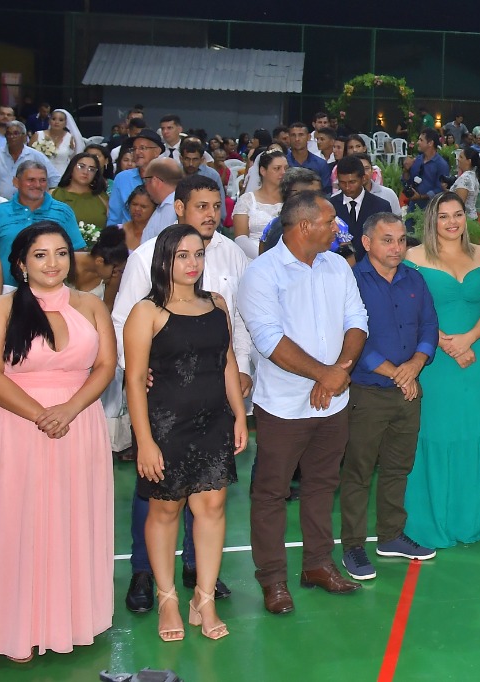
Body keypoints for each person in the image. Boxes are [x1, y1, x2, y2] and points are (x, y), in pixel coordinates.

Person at [0, 221, 116, 662]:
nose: (53, 263)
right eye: (40, 255)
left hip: (77, 427)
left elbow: (105, 367)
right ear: (20, 263)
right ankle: (11, 628)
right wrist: (43, 415)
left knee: (68, 522)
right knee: (9, 526)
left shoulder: (90, 306)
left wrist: (68, 411)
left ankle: (65, 622)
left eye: (61, 253)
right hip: (10, 430)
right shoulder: (0, 309)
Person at [111, 174, 253, 613]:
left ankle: (204, 600)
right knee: (165, 511)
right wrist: (145, 441)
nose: (192, 263)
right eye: (181, 256)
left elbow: (227, 359)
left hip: (214, 421)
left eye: (197, 255)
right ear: (163, 260)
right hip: (166, 425)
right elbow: (135, 380)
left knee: (211, 509)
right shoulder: (145, 312)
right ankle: (168, 597)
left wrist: (240, 416)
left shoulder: (217, 304)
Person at [238, 191, 370, 615]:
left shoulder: (337, 265)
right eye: (331, 222)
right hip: (282, 406)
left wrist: (339, 370)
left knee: (321, 486)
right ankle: (273, 579)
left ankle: (317, 564)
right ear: (304, 228)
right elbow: (270, 341)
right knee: (271, 493)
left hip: (333, 402)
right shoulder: (262, 274)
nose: (339, 228)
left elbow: (357, 320)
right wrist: (326, 374)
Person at [337, 214, 440, 581]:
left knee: (398, 467)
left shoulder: (414, 279)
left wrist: (415, 363)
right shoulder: (351, 281)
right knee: (359, 471)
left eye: (401, 240)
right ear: (367, 243)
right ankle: (352, 544)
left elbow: (429, 325)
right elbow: (350, 335)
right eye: (387, 240)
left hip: (408, 391)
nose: (397, 247)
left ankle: (391, 536)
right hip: (368, 392)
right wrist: (399, 373)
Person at [401, 192, 480, 545]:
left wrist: (468, 339)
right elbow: (408, 311)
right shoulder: (413, 258)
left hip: (476, 360)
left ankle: (473, 516)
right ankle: (433, 519)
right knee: (437, 433)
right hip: (433, 358)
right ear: (432, 220)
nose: (451, 222)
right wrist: (447, 343)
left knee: (475, 431)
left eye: (457, 214)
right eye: (443, 216)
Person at [0, 159, 87, 259]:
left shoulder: (63, 212)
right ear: (16, 182)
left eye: (42, 180)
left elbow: (77, 252)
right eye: (31, 180)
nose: (37, 185)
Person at [331, 155, 395, 251]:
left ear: (363, 179)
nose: (347, 187)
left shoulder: (381, 206)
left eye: (352, 182)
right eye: (342, 182)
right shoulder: (330, 206)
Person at [233, 149, 287, 258]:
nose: (283, 173)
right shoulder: (247, 200)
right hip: (254, 257)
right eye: (277, 169)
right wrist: (264, 258)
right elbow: (241, 239)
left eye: (286, 168)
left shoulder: (291, 199)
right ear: (263, 171)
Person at [105, 129, 165, 227]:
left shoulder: (167, 179)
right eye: (134, 148)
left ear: (156, 152)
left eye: (142, 148)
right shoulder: (122, 178)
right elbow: (114, 217)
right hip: (126, 237)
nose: (137, 152)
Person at [0, 121, 51, 202]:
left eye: (16, 133)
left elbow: (54, 179)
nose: (12, 136)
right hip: (1, 205)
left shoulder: (36, 156)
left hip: (31, 204)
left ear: (24, 137)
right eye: (8, 134)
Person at [53, 150, 109, 230]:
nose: (86, 172)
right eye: (81, 166)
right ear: (71, 168)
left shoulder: (102, 197)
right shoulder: (55, 195)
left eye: (91, 169)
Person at [139, 158, 185, 242]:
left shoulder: (173, 208)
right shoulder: (165, 206)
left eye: (146, 181)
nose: (145, 186)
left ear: (154, 181)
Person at [36, 109, 85, 185]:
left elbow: (73, 158)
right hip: (40, 175)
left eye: (61, 120)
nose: (57, 122)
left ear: (66, 123)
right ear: (49, 121)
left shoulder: (70, 138)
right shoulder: (38, 135)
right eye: (53, 119)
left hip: (62, 176)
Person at [404, 130, 450, 209]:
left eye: (421, 140)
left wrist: (421, 197)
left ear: (430, 143)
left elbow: (440, 189)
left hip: (431, 208)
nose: (418, 142)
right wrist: (406, 169)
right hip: (413, 206)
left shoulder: (441, 164)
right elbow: (407, 181)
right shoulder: (417, 160)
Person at [121, 187, 155, 252]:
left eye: (143, 206)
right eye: (134, 204)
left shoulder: (156, 235)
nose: (137, 209)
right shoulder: (118, 231)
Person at [449, 146, 480, 211]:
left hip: (466, 218)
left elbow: (459, 203)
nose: (457, 159)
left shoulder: (465, 178)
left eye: (461, 157)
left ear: (468, 161)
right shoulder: (472, 175)